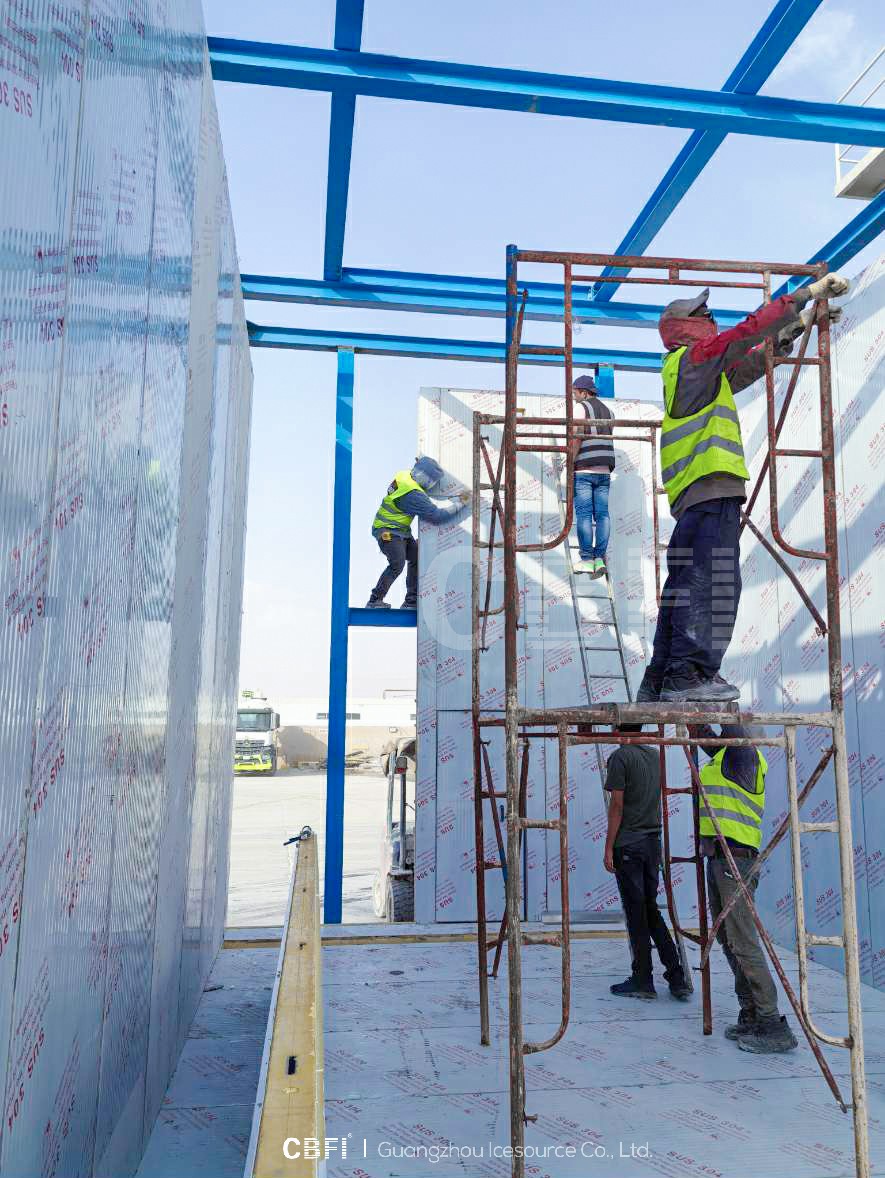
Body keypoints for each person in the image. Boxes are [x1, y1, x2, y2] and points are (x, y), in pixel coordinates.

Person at [637, 272, 849, 703]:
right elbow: (743, 335)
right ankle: (690, 676)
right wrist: (803, 296)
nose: (711, 317)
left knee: (683, 587)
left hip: (695, 498)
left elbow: (745, 365)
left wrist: (793, 330)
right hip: (712, 491)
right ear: (687, 327)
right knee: (712, 583)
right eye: (704, 313)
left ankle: (660, 679)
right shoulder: (696, 359)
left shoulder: (690, 373)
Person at [691, 722, 797, 1054]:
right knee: (729, 941)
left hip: (735, 862)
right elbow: (704, 737)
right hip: (720, 860)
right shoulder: (726, 755)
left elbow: (728, 729)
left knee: (744, 941)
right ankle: (751, 1011)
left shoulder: (743, 754)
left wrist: (713, 699)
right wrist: (687, 709)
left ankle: (771, 1023)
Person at [603, 723, 691, 1001]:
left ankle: (643, 979)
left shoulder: (620, 757)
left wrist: (608, 848)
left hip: (629, 845)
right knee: (651, 909)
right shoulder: (655, 755)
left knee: (636, 914)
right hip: (652, 844)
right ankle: (676, 974)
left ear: (617, 728)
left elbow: (617, 805)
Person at [366, 456, 470, 610]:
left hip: (401, 531)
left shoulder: (405, 476)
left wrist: (422, 461)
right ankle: (374, 600)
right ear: (423, 477)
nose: (432, 485)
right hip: (388, 531)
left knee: (416, 558)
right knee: (397, 564)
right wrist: (461, 503)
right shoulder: (412, 494)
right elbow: (437, 516)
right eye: (431, 481)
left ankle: (411, 602)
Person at [569, 374, 615, 578]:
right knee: (603, 515)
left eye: (575, 393)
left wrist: (570, 459)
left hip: (585, 469)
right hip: (604, 470)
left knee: (585, 515)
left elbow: (578, 434)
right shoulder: (609, 411)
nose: (574, 398)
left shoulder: (581, 408)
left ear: (584, 392)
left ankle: (587, 559)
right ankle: (599, 558)